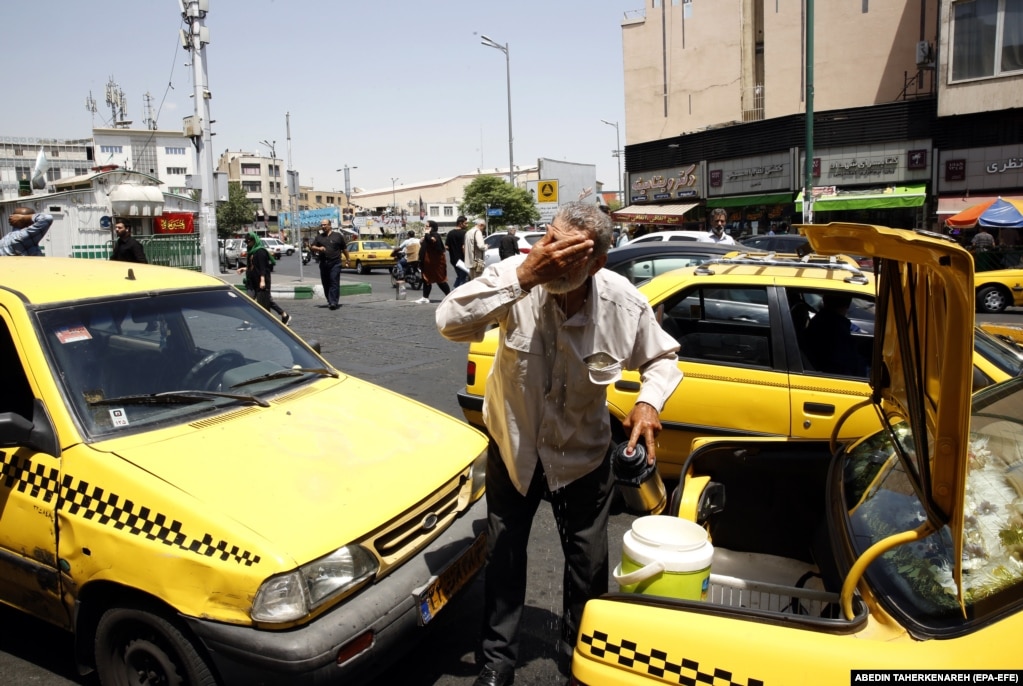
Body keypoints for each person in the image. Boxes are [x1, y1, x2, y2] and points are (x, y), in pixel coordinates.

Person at [436, 201, 683, 686]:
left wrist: (649, 403)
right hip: (515, 448)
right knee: (504, 555)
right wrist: (524, 276)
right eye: (549, 241)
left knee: (587, 566)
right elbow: (449, 322)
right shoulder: (520, 275)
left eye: (568, 254)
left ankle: (582, 656)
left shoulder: (622, 302)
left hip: (583, 457)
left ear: (597, 264)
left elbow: (664, 359)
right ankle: (497, 662)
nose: (553, 258)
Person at [803, 293, 866, 377]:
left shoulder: (820, 320)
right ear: (847, 306)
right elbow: (843, 367)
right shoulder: (835, 330)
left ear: (824, 301)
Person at [237, 231, 291, 326]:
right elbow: (253, 266)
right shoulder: (251, 251)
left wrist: (262, 281)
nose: (248, 243)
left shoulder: (261, 251)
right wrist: (244, 269)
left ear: (255, 240)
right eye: (246, 241)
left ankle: (283, 315)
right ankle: (248, 320)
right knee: (249, 299)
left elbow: (262, 268)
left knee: (265, 300)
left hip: (261, 280)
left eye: (249, 241)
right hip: (252, 281)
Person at [310, 219, 350, 310]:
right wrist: (319, 248)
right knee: (326, 283)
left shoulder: (338, 236)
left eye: (325, 225)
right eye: (322, 225)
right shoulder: (319, 237)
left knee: (334, 281)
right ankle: (330, 299)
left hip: (335, 263)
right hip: (324, 263)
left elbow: (344, 249)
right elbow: (312, 247)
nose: (323, 226)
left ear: (330, 225)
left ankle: (333, 302)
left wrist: (348, 259)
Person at [418, 220, 451, 303]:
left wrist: (426, 234)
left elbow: (432, 241)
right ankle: (425, 297)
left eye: (427, 226)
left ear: (432, 228)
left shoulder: (435, 235)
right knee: (426, 279)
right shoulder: (429, 235)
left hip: (435, 264)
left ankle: (449, 296)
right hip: (428, 264)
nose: (425, 228)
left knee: (440, 280)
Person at [447, 215, 469, 287]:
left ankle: (454, 292)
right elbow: (463, 247)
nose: (467, 225)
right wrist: (467, 258)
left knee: (460, 276)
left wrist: (453, 250)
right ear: (460, 223)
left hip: (453, 259)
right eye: (465, 223)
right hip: (462, 260)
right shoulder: (464, 233)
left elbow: (446, 247)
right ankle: (455, 292)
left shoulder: (450, 233)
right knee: (463, 277)